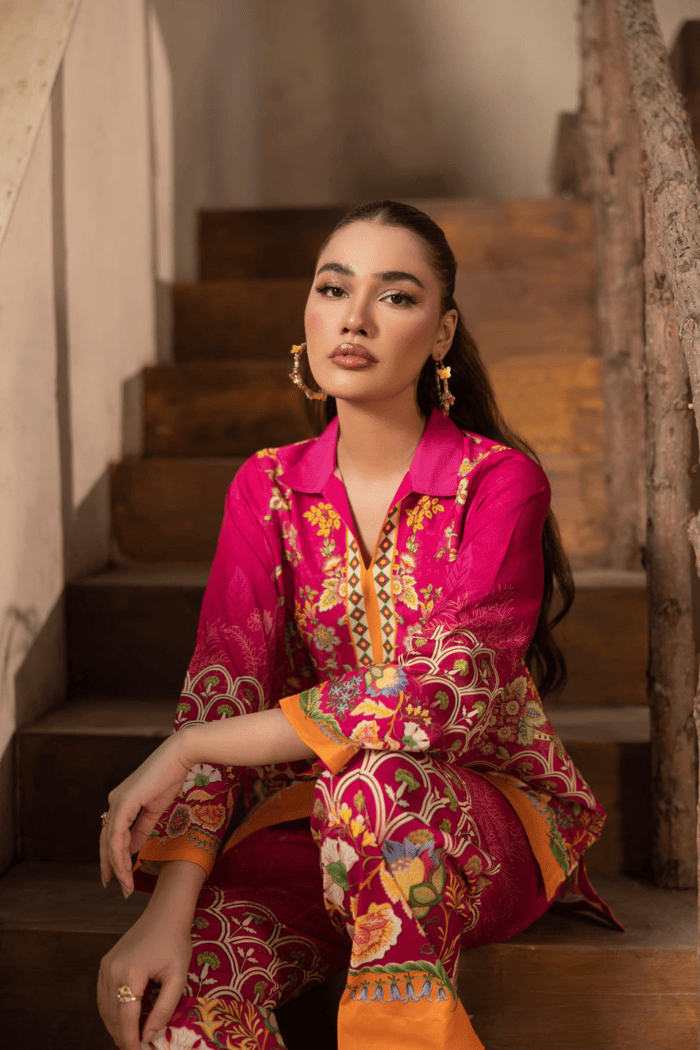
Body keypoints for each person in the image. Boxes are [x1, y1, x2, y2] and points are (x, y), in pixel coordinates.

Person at [98, 200, 620, 1050]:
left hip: (474, 824)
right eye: (334, 288)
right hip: (307, 827)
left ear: (443, 333)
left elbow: (440, 695)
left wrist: (194, 748)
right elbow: (221, 685)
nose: (355, 316)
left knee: (375, 785)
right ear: (308, 315)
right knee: (170, 1005)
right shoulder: (266, 488)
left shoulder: (496, 483)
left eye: (396, 296)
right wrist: (169, 908)